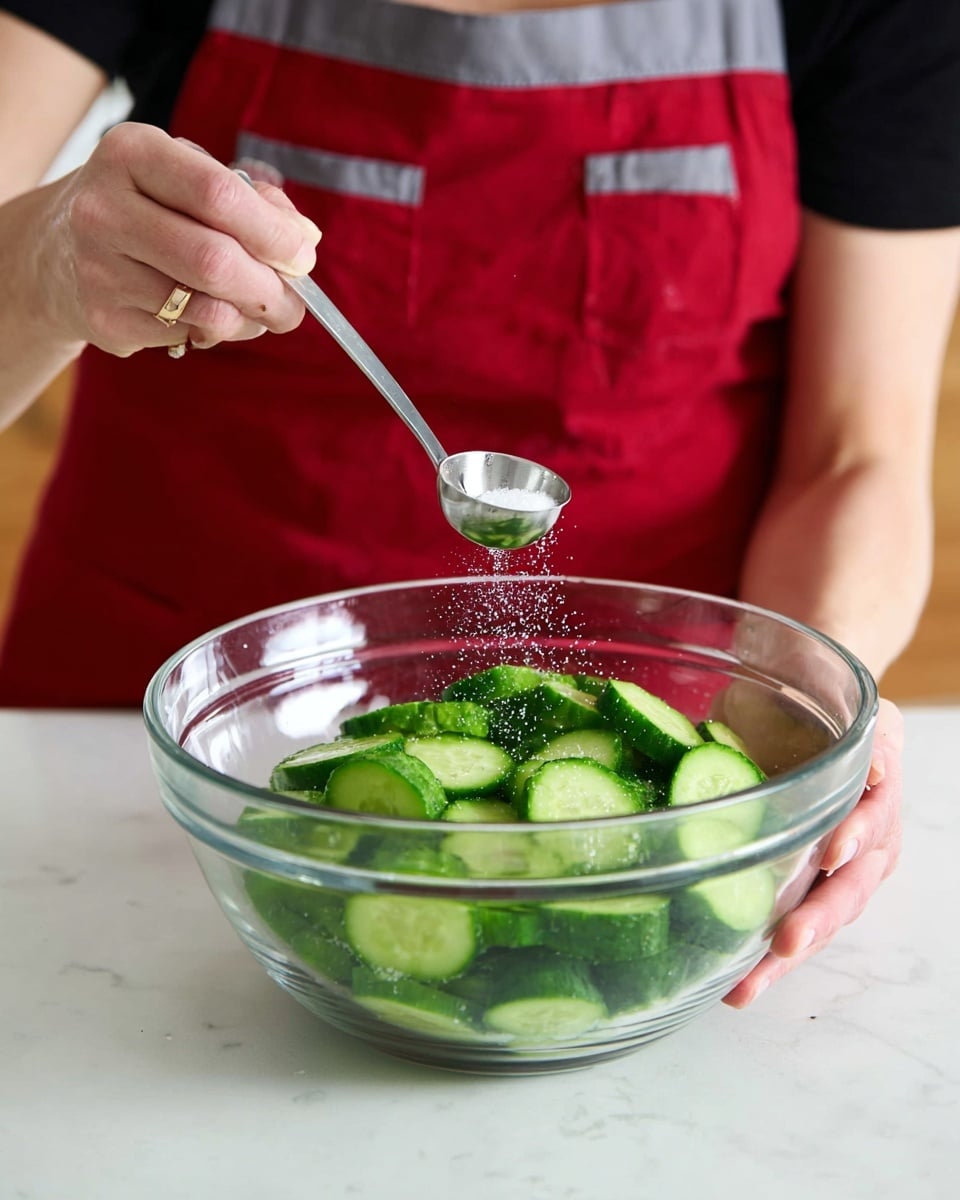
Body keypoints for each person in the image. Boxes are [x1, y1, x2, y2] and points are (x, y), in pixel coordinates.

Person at [0, 0, 957, 1007]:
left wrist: (810, 691)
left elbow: (856, 451)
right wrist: (43, 264)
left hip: (646, 799)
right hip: (146, 759)